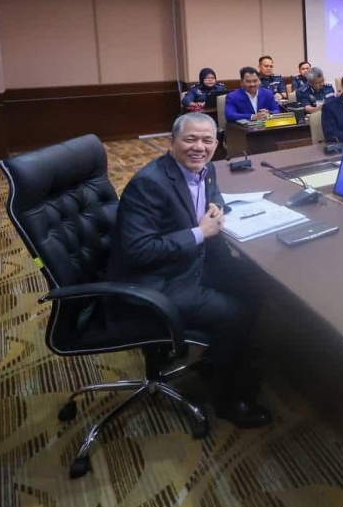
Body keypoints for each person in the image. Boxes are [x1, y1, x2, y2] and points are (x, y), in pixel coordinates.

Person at [107, 113, 270, 427]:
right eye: (190, 139)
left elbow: (213, 196)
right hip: (156, 280)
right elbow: (138, 251)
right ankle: (228, 400)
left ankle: (221, 355)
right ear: (171, 143)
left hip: (188, 262)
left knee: (255, 283)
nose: (199, 147)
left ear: (216, 144)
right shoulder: (150, 184)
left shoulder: (205, 168)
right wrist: (199, 233)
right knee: (234, 311)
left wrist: (217, 208)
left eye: (207, 140)